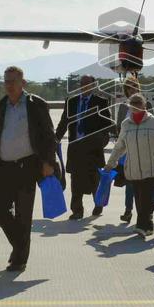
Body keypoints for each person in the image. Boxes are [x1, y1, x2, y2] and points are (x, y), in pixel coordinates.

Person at [0, 66, 60, 272]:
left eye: (13, 81)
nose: (9, 85)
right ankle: (20, 244)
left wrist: (48, 162)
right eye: (6, 81)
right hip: (4, 167)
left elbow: (49, 136)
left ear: (23, 83)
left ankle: (19, 259)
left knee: (24, 215)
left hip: (27, 167)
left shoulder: (36, 105)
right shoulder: (1, 105)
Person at [105, 93, 154, 238]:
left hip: (152, 169)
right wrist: (111, 162)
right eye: (132, 103)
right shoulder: (126, 124)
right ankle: (148, 226)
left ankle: (140, 226)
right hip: (133, 170)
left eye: (138, 103)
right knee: (140, 200)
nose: (135, 105)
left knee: (146, 198)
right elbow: (120, 146)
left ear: (144, 106)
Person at [56, 74, 113, 219]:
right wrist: (55, 139)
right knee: (75, 181)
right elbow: (64, 122)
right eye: (82, 83)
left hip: (93, 148)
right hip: (76, 147)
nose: (84, 86)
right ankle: (77, 210)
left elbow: (108, 124)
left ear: (94, 85)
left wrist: (102, 140)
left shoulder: (101, 101)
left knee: (94, 179)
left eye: (87, 83)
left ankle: (98, 204)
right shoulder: (71, 102)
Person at [113, 77, 153, 224]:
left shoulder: (146, 104)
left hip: (144, 150)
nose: (132, 89)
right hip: (127, 151)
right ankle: (128, 210)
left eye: (135, 86)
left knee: (145, 183)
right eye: (129, 87)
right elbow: (119, 129)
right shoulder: (124, 107)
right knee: (130, 183)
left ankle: (145, 213)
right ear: (126, 90)